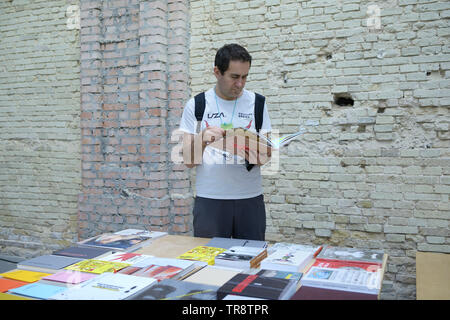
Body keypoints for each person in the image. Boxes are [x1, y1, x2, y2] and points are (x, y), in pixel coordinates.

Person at [179, 43, 272, 241]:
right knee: (209, 263)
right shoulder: (197, 105)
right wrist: (202, 140)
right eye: (234, 77)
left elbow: (266, 156)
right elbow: (187, 161)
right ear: (217, 72)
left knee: (251, 263)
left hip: (250, 200)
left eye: (245, 77)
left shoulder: (258, 103)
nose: (240, 84)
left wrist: (255, 153)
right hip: (210, 200)